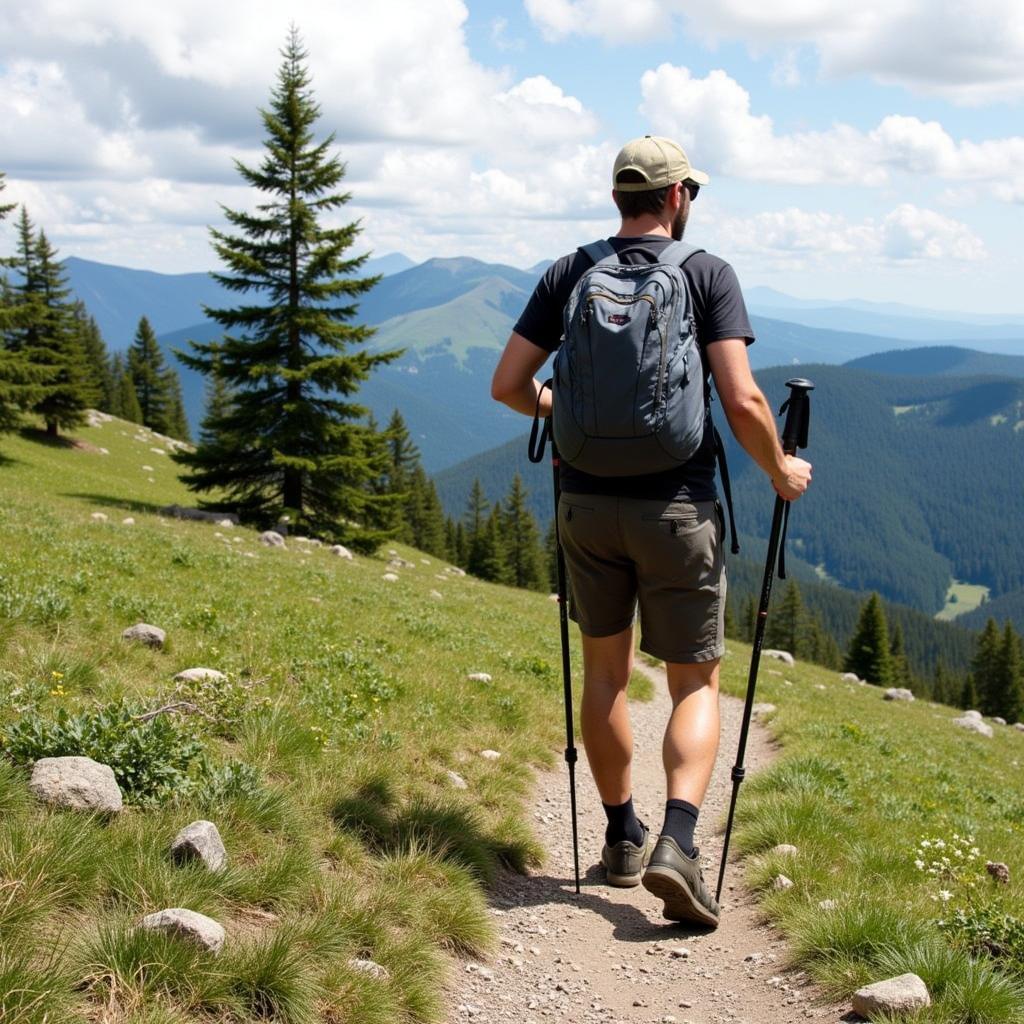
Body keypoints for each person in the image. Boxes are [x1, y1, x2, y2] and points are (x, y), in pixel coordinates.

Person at [491, 135, 812, 927]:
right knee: (693, 681)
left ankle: (620, 835)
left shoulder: (570, 272)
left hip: (586, 508)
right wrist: (781, 470)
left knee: (605, 674)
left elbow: (508, 387)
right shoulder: (707, 274)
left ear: (617, 199)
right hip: (678, 507)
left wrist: (564, 410)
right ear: (676, 197)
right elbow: (740, 403)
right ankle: (677, 841)